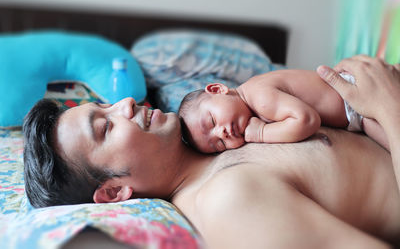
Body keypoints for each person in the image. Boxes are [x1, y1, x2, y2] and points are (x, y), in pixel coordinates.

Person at [23, 55, 400, 248]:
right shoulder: (228, 202)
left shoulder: (221, 131)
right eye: (106, 127)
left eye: (105, 106)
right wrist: (388, 107)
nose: (124, 103)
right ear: (113, 192)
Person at [178, 67, 388, 153]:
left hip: (356, 99)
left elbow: (307, 120)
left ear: (218, 89)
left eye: (213, 122)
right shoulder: (252, 98)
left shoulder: (260, 98)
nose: (221, 133)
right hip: (356, 113)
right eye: (220, 145)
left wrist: (261, 133)